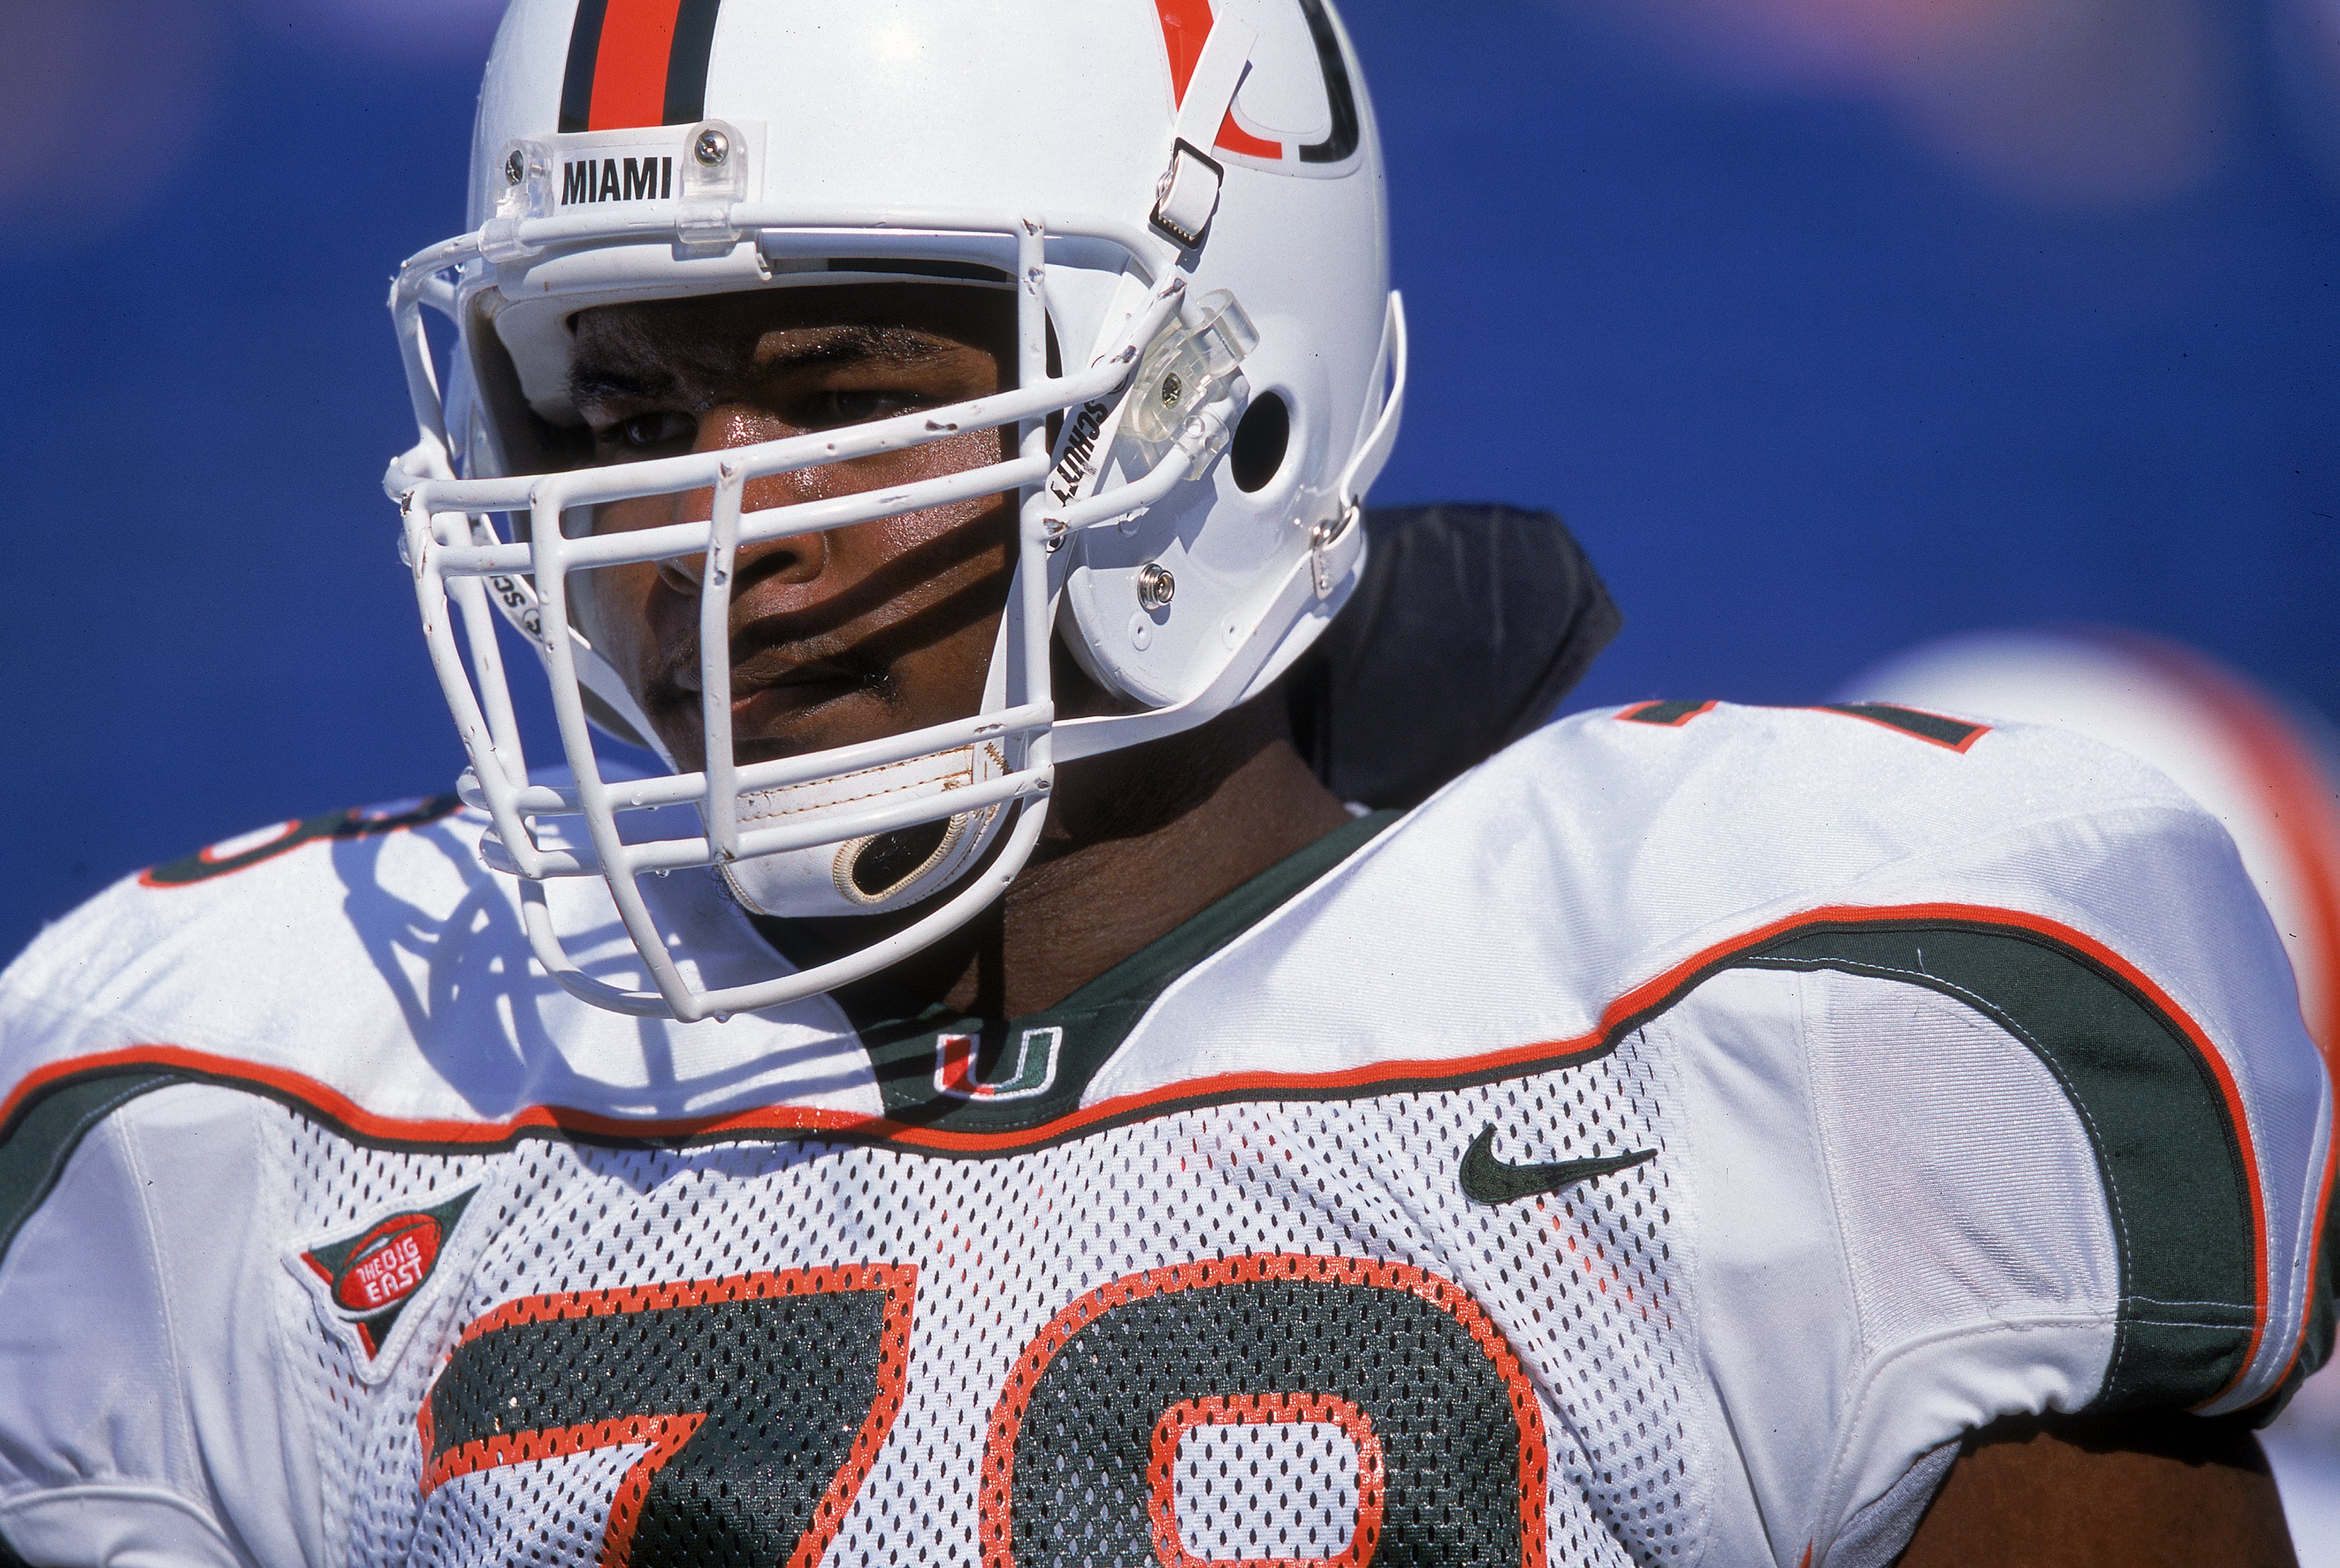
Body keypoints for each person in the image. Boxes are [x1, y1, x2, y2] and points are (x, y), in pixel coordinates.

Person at [0, 3, 2324, 1565]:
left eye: (840, 381)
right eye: (614, 418)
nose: (718, 519)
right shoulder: (226, 1112)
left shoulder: (1809, 1025)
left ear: (1223, 394)